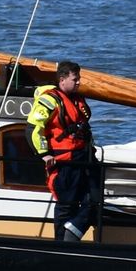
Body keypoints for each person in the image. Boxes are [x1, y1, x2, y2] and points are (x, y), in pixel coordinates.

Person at [26, 60, 96, 242]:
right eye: (75, 79)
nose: (79, 82)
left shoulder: (77, 99)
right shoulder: (49, 100)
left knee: (95, 198)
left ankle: (71, 234)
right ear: (63, 79)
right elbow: (34, 128)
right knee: (66, 206)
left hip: (84, 158)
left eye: (79, 78)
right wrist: (44, 154)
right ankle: (61, 246)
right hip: (64, 161)